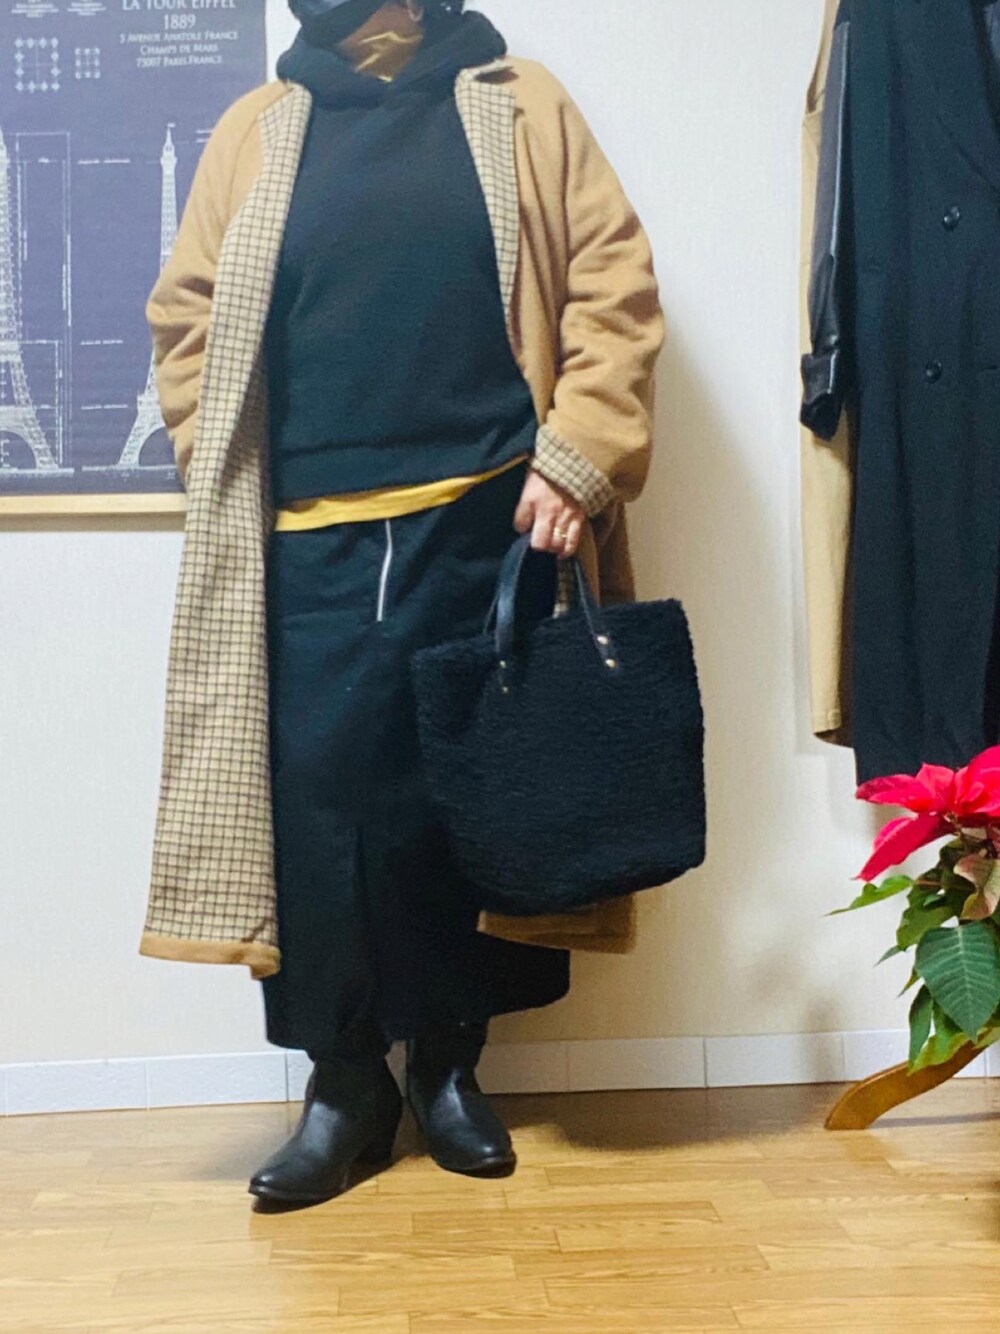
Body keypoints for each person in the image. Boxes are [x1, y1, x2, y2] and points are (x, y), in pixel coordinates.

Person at [142, 0, 664, 1208]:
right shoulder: (258, 126)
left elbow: (613, 287)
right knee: (319, 809)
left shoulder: (521, 104)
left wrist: (575, 459)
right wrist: (213, 456)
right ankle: (343, 1084)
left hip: (491, 518)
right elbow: (186, 317)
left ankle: (447, 1066)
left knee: (465, 801)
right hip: (305, 535)